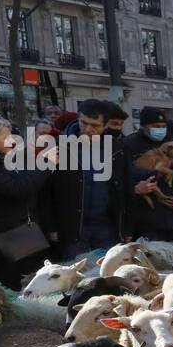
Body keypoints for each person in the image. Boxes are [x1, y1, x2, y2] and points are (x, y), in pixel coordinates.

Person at [0, 116, 52, 287]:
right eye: (6, 137)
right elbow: (19, 189)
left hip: (22, 234)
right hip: (3, 241)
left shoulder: (4, 160)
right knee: (16, 286)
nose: (12, 140)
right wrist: (46, 163)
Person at [48, 98, 126, 260]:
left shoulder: (117, 148)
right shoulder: (58, 146)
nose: (88, 129)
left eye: (95, 125)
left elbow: (125, 189)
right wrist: (51, 226)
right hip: (73, 227)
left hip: (107, 227)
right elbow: (46, 190)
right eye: (84, 123)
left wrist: (126, 227)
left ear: (105, 125)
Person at [124, 108, 173, 246]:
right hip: (149, 220)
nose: (160, 130)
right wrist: (136, 188)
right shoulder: (130, 144)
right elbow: (124, 177)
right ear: (143, 126)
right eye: (155, 127)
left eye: (163, 126)